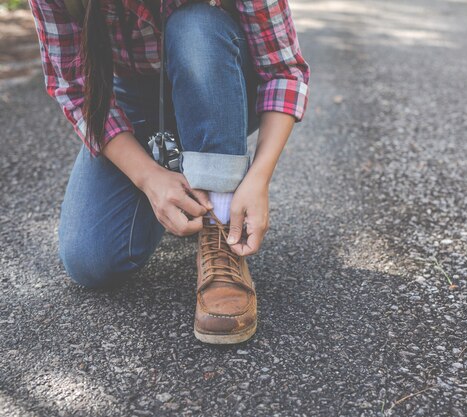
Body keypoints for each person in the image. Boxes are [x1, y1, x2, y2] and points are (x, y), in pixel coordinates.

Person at [27, 0, 310, 344]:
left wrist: (258, 178)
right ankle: (185, 183)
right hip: (136, 97)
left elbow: (282, 72)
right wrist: (148, 177)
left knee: (195, 28)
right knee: (91, 260)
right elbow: (74, 88)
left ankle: (219, 225)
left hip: (220, 75)